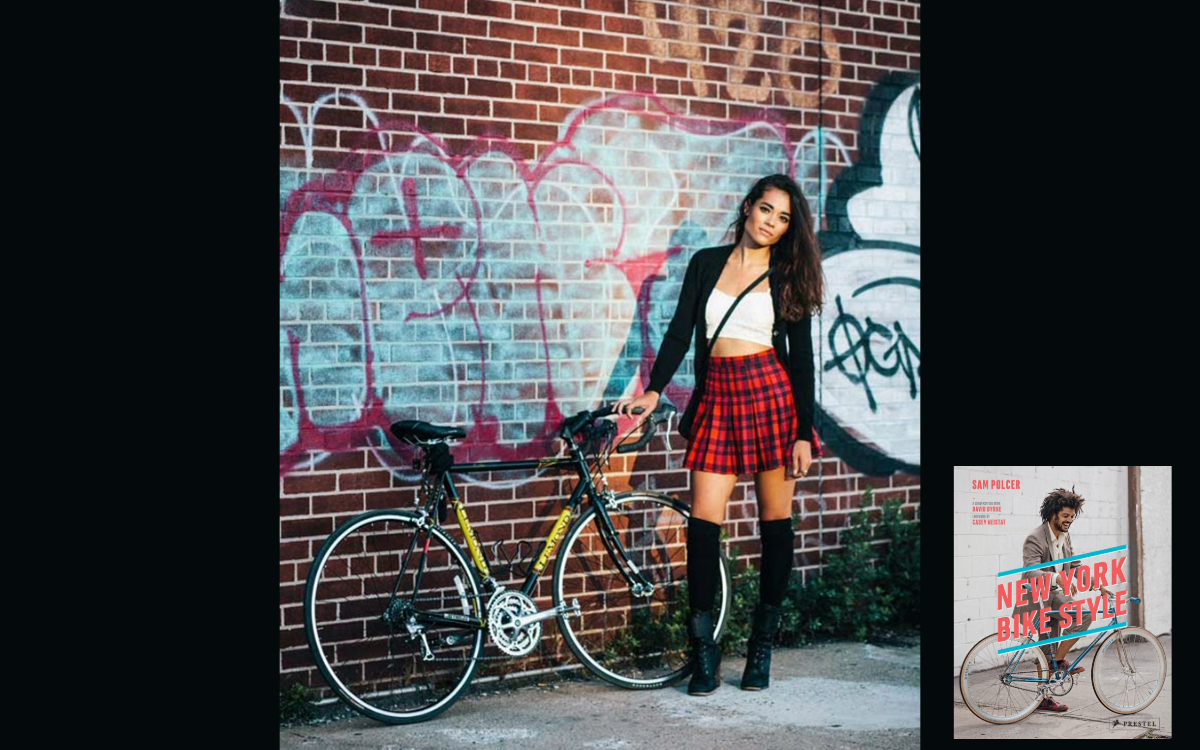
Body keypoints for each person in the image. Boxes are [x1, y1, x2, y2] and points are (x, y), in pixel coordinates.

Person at [614, 173, 824, 695]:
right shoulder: (706, 263)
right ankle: (703, 652)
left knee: (774, 524)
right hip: (719, 399)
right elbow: (680, 330)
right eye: (766, 210)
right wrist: (654, 390)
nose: (772, 223)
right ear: (748, 207)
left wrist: (803, 431)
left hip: (773, 397)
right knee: (703, 526)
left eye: (782, 218)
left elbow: (802, 360)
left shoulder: (786, 274)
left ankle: (760, 649)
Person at [1010, 487, 1114, 713]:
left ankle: (1054, 666)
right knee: (1052, 642)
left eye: (1072, 516)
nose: (1070, 520)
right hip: (1037, 598)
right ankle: (1048, 681)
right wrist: (1058, 578)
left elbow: (1075, 567)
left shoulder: (1065, 537)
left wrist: (1098, 585)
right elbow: (1029, 573)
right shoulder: (1035, 538)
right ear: (1053, 515)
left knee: (1062, 635)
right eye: (1066, 516)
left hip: (1054, 597)